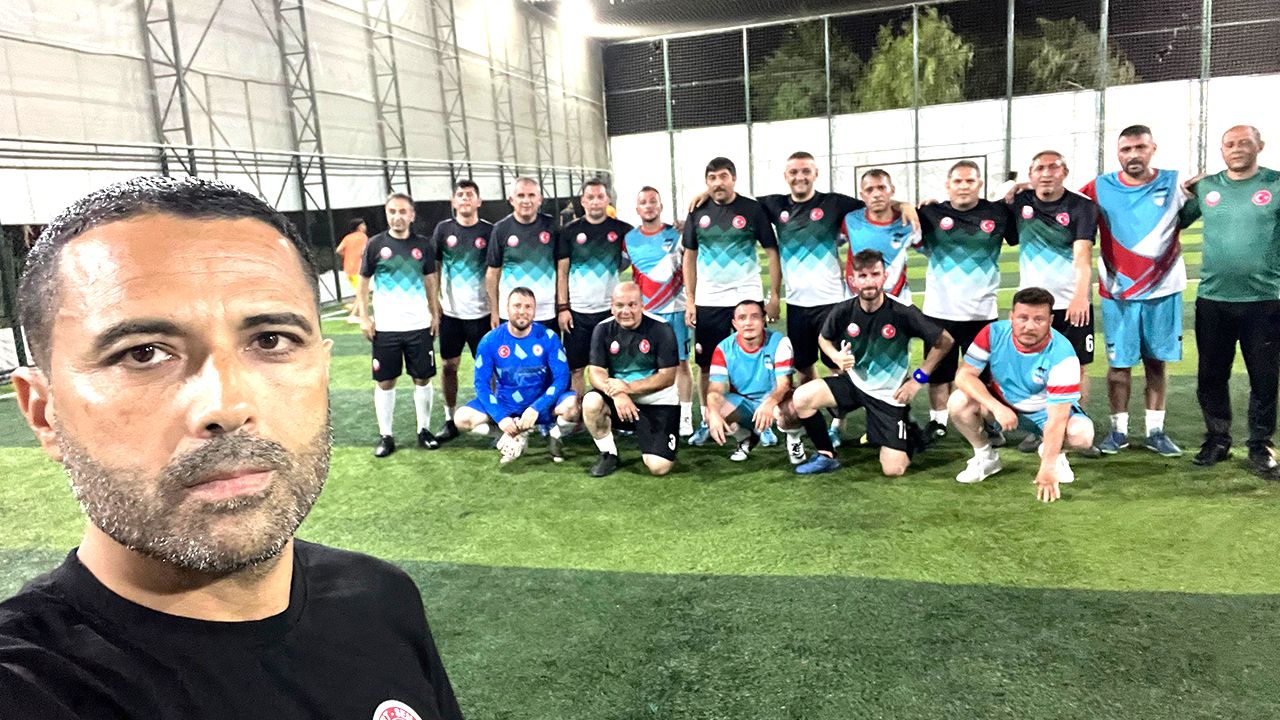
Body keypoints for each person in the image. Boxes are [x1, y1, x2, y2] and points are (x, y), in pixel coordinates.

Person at [1, 176, 462, 718]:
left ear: (322, 369)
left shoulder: (383, 598)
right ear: (44, 412)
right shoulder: (30, 686)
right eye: (143, 353)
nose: (226, 405)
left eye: (271, 340)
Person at [782, 249, 951, 476]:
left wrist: (917, 379)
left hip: (888, 395)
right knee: (802, 397)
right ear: (852, 280)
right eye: (862, 276)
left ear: (885, 277)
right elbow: (824, 338)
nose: (869, 282)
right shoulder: (843, 310)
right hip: (854, 384)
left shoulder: (902, 312)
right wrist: (835, 356)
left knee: (893, 469)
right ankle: (826, 455)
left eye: (875, 274)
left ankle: (909, 433)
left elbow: (944, 341)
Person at [1079, 124, 1188, 457]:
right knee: (1119, 366)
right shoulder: (1098, 187)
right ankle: (1119, 432)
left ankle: (1156, 432)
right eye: (1126, 149)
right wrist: (1021, 188)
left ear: (1153, 148)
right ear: (1118, 153)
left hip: (1163, 291)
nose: (1133, 155)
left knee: (1156, 363)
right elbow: (1062, 202)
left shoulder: (1174, 182)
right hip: (1119, 293)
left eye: (1140, 147)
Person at [1180, 125, 1280, 479]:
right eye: (1230, 144)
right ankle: (1217, 439)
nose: (1236, 149)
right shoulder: (1207, 187)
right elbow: (1178, 220)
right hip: (1213, 299)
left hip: (1264, 300)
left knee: (1264, 377)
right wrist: (1181, 191)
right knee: (1211, 375)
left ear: (1259, 146)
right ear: (1222, 150)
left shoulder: (1275, 184)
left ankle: (1260, 444)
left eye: (1244, 143)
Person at [947, 287, 1096, 502]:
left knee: (1082, 435)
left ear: (1050, 321)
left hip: (1045, 413)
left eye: (1038, 319)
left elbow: (1057, 418)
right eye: (1023, 318)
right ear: (1011, 317)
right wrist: (997, 407)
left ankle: (1055, 454)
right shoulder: (993, 333)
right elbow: (964, 375)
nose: (1029, 326)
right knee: (958, 401)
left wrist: (1047, 467)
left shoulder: (1063, 355)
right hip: (1003, 407)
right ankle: (985, 457)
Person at [916, 160, 1018, 444]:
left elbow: (1019, 230)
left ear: (979, 184)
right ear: (948, 185)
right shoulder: (930, 213)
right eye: (958, 181)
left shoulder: (998, 213)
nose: (963, 186)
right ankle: (938, 423)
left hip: (981, 312)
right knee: (938, 374)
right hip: (939, 310)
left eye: (970, 181)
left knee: (983, 375)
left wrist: (1018, 188)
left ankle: (987, 422)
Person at [682, 157, 782, 447]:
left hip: (746, 295)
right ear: (706, 182)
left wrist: (774, 296)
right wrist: (691, 299)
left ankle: (761, 422)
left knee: (756, 360)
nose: (718, 183)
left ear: (734, 179)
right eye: (712, 178)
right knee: (705, 364)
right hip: (709, 299)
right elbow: (689, 256)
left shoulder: (752, 209)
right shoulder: (697, 211)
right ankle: (708, 419)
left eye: (723, 176)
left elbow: (772, 251)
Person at [1009, 151, 1100, 455]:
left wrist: (1080, 296)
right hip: (1033, 307)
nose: (1046, 173)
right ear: (1030, 174)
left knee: (1077, 368)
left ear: (1065, 172)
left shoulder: (1082, 207)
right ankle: (1040, 430)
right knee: (1034, 368)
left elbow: (1083, 255)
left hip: (1070, 303)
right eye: (1039, 168)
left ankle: (1076, 424)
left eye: (1053, 168)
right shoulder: (1019, 202)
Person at [357, 192, 443, 457]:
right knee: (385, 381)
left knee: (422, 378)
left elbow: (430, 280)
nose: (397, 216)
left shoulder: (423, 245)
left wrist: (435, 313)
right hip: (386, 328)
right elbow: (363, 282)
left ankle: (424, 430)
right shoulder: (375, 245)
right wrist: (364, 317)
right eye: (392, 211)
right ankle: (386, 435)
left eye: (403, 211)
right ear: (386, 214)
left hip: (418, 325)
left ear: (412, 215)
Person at [453, 287, 578, 464]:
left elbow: (562, 378)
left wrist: (536, 408)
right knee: (461, 418)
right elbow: (481, 385)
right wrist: (501, 418)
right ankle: (510, 435)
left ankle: (554, 436)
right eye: (517, 306)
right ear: (507, 308)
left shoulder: (548, 337)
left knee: (573, 405)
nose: (522, 311)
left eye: (528, 307)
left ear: (534, 310)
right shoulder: (490, 340)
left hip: (541, 406)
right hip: (507, 406)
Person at [583, 282, 680, 477]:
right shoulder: (602, 329)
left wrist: (629, 388)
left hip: (657, 402)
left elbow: (667, 377)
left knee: (658, 467)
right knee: (591, 402)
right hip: (619, 400)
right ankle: (608, 453)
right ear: (612, 307)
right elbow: (595, 372)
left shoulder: (661, 328)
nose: (625, 311)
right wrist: (618, 394)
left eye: (632, 305)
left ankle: (655, 438)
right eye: (619, 305)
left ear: (642, 305)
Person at [626, 185, 695, 435]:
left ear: (660, 206)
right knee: (647, 365)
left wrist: (689, 226)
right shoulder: (629, 239)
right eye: (643, 202)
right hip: (646, 314)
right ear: (637, 208)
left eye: (653, 201)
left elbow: (693, 259)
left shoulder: (677, 233)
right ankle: (648, 415)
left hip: (675, 309)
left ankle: (685, 416)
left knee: (681, 364)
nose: (649, 206)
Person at [557, 178, 633, 402]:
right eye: (590, 197)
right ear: (583, 201)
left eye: (600, 196)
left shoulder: (622, 230)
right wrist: (563, 307)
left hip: (611, 313)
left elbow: (642, 247)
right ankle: (577, 412)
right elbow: (562, 272)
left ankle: (613, 410)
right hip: (578, 313)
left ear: (607, 199)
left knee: (613, 367)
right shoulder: (569, 231)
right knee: (576, 369)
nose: (595, 201)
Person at [432, 179, 493, 441]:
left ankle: (494, 416)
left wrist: (495, 308)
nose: (465, 198)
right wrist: (435, 302)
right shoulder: (443, 230)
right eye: (460, 194)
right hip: (451, 315)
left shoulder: (489, 231)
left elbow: (496, 270)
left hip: (483, 313)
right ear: (453, 201)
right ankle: (450, 419)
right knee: (449, 366)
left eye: (470, 194)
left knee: (490, 369)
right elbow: (434, 267)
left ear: (479, 201)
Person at [705, 300, 797, 462]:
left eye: (754, 317)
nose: (748, 323)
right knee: (711, 411)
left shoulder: (779, 342)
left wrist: (769, 403)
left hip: (776, 402)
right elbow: (714, 390)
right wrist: (713, 414)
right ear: (734, 323)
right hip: (745, 403)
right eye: (742, 318)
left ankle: (794, 440)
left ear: (763, 320)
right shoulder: (723, 348)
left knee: (794, 408)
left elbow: (784, 385)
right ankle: (746, 437)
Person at [842, 169, 920, 305]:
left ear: (892, 190)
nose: (876, 194)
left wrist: (909, 205)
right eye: (869, 190)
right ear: (862, 195)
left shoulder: (909, 223)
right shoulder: (850, 220)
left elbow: (932, 251)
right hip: (857, 300)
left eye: (882, 188)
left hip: (897, 298)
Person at [487, 177, 558, 327]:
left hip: (546, 312)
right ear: (511, 200)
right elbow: (493, 273)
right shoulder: (500, 229)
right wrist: (494, 310)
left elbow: (563, 268)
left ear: (540, 199)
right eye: (520, 195)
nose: (526, 200)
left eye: (531, 195)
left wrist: (563, 306)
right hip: (512, 314)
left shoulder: (551, 226)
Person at [335, 217, 368, 319]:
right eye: (363, 225)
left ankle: (353, 308)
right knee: (362, 292)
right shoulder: (363, 237)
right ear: (359, 227)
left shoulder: (347, 237)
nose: (365, 227)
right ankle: (353, 314)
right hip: (358, 268)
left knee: (361, 291)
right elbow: (364, 251)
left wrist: (348, 255)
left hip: (348, 268)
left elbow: (338, 250)